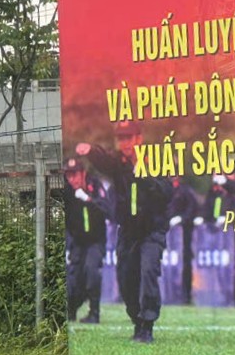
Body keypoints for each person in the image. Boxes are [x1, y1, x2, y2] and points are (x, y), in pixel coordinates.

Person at [77, 120, 174, 343]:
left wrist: (146, 178)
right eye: (121, 138)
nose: (125, 143)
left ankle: (147, 325)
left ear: (139, 138)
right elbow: (103, 160)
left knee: (148, 271)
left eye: (129, 138)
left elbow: (167, 192)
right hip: (128, 231)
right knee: (126, 277)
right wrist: (90, 150)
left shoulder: (155, 160)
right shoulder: (118, 162)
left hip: (152, 230)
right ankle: (136, 321)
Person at [62, 157, 113, 324]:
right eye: (68, 175)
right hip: (77, 241)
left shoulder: (95, 185)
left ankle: (94, 312)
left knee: (92, 271)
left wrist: (89, 200)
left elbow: (107, 210)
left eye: (75, 174)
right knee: (73, 279)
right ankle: (70, 311)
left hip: (95, 240)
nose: (72, 179)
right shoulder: (67, 191)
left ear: (83, 173)